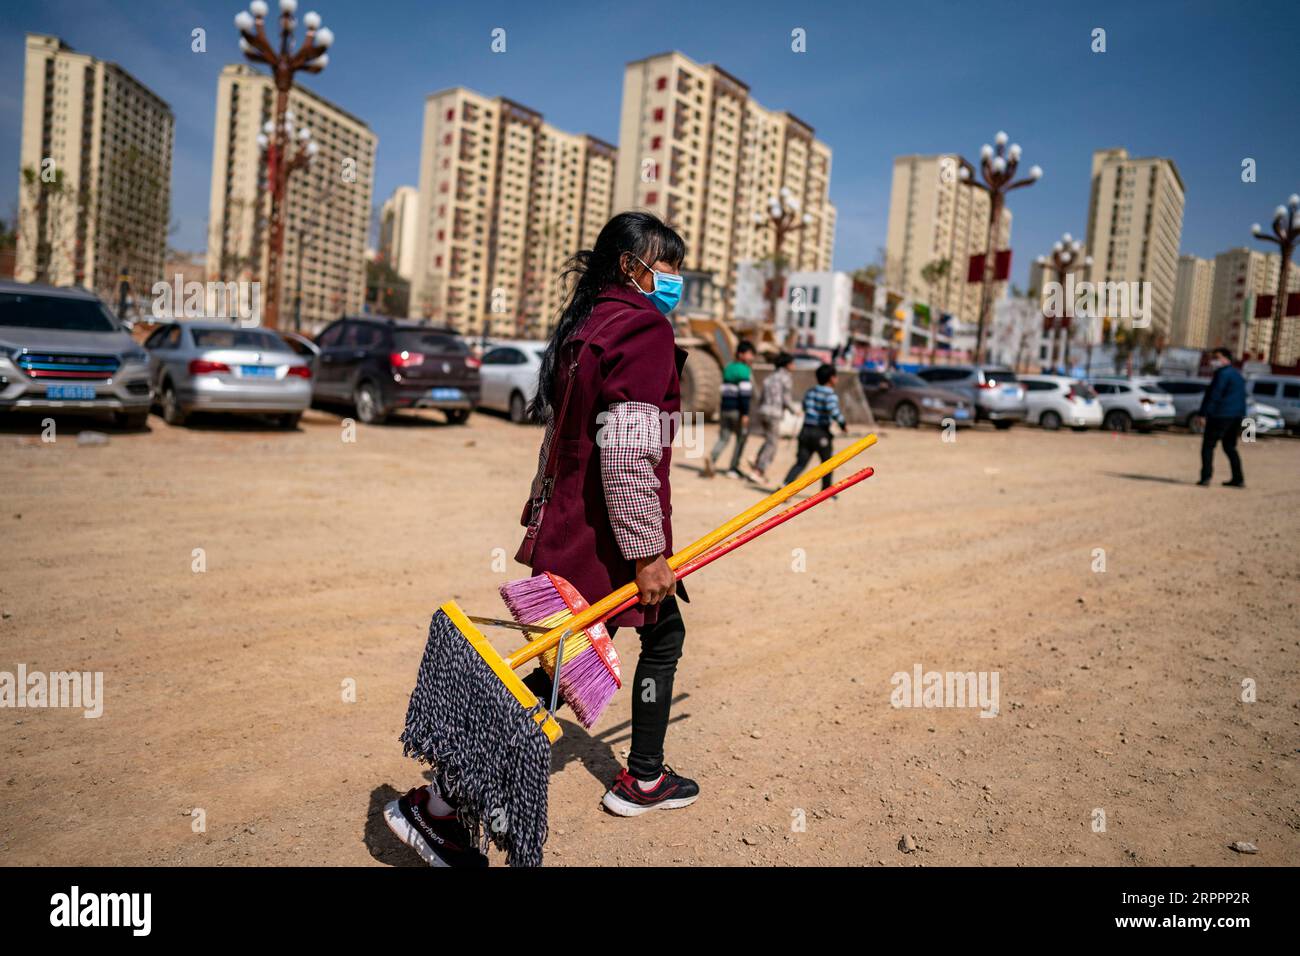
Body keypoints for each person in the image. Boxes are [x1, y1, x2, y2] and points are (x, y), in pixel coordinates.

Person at [385, 212, 699, 867]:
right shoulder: (643, 327)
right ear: (630, 267)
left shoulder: (588, 327)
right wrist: (646, 554)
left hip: (570, 527)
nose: (673, 278)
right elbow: (626, 454)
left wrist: (540, 515)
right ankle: (437, 804)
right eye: (664, 265)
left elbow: (559, 436)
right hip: (605, 542)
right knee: (554, 675)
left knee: (650, 638)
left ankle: (643, 776)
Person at [784, 363, 848, 492]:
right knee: (827, 463)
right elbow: (833, 411)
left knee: (801, 461)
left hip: (805, 430)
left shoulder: (810, 391)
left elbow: (804, 407)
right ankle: (826, 491)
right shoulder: (830, 394)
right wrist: (843, 424)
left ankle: (786, 485)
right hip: (820, 432)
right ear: (831, 378)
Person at [1195, 347, 1246, 488]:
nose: (1213, 361)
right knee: (1230, 447)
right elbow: (1243, 398)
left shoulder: (1222, 374)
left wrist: (1203, 414)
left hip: (1220, 416)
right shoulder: (1238, 375)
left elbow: (1214, 395)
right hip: (1235, 416)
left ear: (1226, 359)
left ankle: (1206, 477)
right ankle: (1238, 479)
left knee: (1208, 446)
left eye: (1216, 357)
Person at [705, 340, 755, 478]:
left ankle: (712, 458)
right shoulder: (744, 370)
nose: (752, 357)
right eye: (750, 354)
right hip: (737, 411)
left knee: (724, 437)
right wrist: (745, 414)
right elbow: (744, 394)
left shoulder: (728, 368)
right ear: (741, 354)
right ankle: (733, 468)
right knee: (741, 438)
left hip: (725, 409)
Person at [750, 352, 799, 480]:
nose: (794, 366)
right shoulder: (786, 378)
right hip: (774, 413)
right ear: (787, 365)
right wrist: (795, 411)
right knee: (772, 443)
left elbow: (761, 396)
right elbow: (786, 399)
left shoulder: (769, 377)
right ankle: (759, 470)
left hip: (763, 411)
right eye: (793, 363)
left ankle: (756, 459)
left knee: (768, 439)